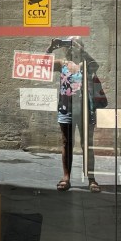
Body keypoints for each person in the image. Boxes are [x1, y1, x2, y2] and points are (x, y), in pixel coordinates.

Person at [47, 38, 107, 192]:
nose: (72, 46)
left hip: (85, 109)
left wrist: (81, 50)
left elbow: (96, 65)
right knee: (67, 143)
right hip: (66, 109)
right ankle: (66, 177)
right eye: (70, 43)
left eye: (75, 42)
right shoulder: (62, 64)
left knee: (87, 144)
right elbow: (43, 65)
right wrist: (51, 48)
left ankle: (91, 179)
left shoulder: (85, 64)